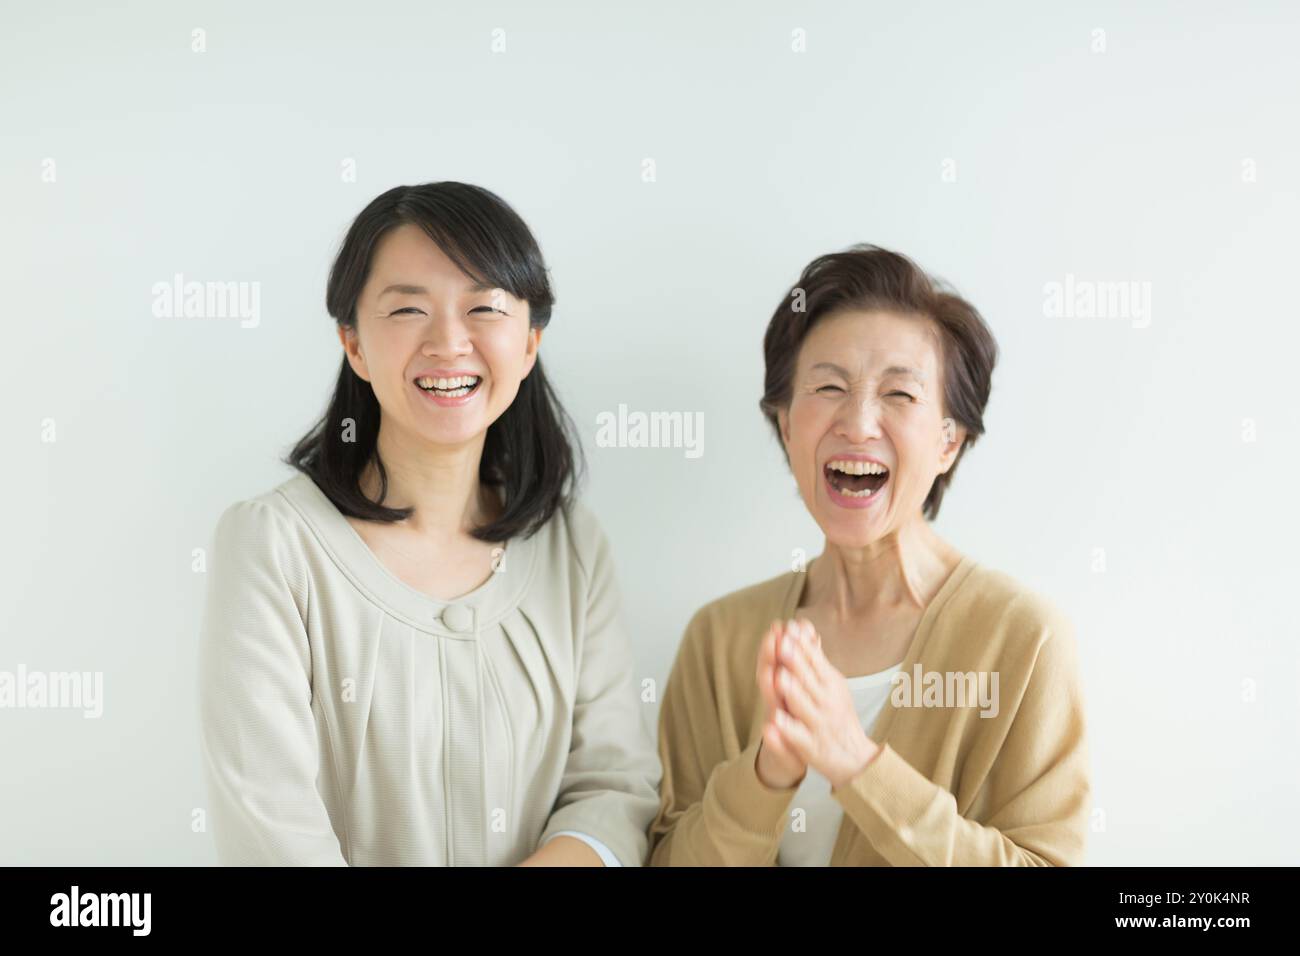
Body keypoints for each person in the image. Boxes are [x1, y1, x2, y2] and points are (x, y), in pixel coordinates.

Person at [198, 182, 660, 866]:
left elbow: (615, 791)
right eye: (409, 308)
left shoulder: (573, 547)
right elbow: (272, 828)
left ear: (529, 343)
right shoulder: (272, 547)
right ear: (353, 342)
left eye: (485, 308)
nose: (449, 342)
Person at [648, 245, 1091, 866]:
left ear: (948, 441)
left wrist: (856, 764)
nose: (857, 423)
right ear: (785, 425)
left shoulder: (1024, 638)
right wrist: (767, 774)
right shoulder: (718, 638)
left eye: (899, 395)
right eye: (828, 386)